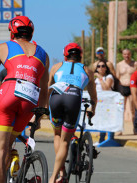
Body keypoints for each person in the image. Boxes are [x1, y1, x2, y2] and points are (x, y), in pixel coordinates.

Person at [0, 16, 49, 183]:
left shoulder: (3, 48)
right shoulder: (44, 54)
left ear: (12, 32)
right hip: (30, 101)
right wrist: (40, 117)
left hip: (8, 94)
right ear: (31, 33)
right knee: (9, 144)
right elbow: (45, 90)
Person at [48, 43, 97, 183]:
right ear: (80, 56)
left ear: (65, 55)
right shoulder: (87, 70)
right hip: (74, 98)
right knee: (65, 141)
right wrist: (92, 109)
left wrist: (45, 108)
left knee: (57, 135)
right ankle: (54, 177)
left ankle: (61, 172)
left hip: (56, 97)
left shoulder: (56, 67)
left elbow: (48, 89)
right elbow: (93, 96)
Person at [116, 49, 137, 135]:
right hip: (122, 87)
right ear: (122, 55)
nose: (126, 56)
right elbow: (117, 77)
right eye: (125, 54)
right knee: (121, 110)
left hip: (131, 87)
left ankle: (135, 129)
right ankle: (120, 130)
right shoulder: (119, 65)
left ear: (131, 54)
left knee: (133, 110)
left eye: (128, 54)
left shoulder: (135, 64)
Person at [94, 61, 114, 144]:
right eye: (98, 66)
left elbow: (106, 88)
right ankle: (101, 139)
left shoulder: (109, 77)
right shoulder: (95, 79)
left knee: (108, 120)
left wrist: (100, 78)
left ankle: (109, 139)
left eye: (103, 66)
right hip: (99, 102)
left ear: (106, 68)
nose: (101, 68)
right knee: (100, 120)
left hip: (108, 102)